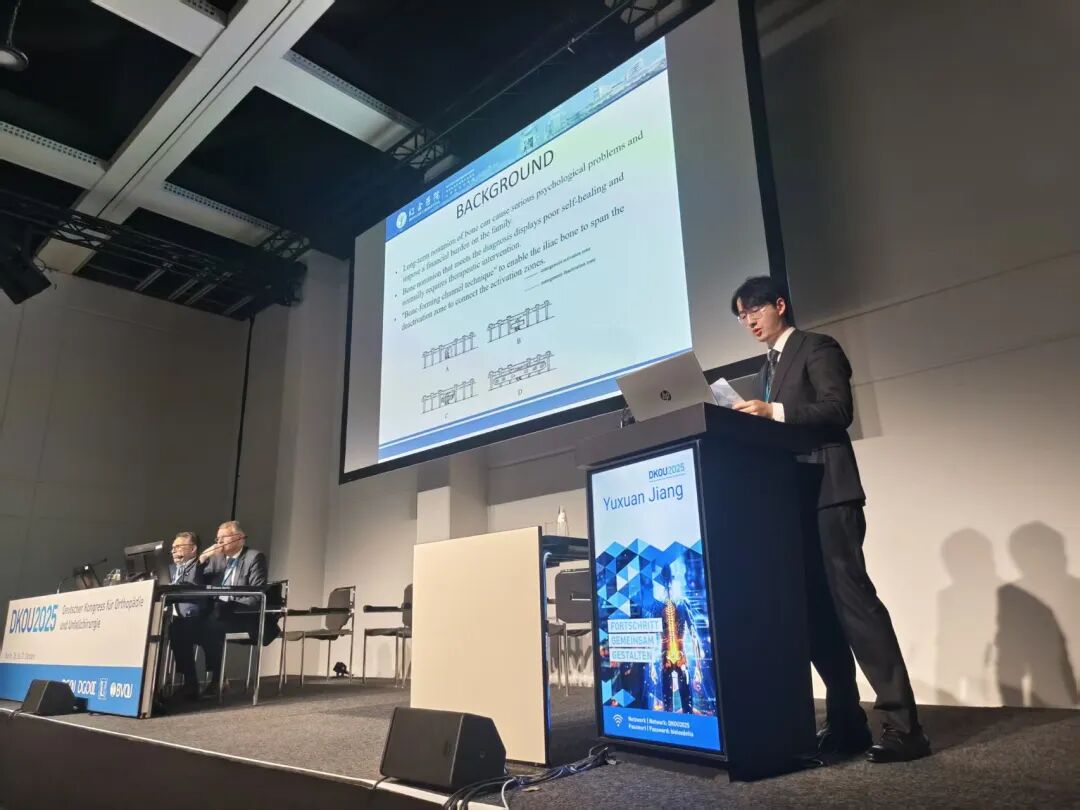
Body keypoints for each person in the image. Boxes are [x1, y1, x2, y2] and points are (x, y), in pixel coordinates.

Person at [729, 276, 930, 763]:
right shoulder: (764, 370)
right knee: (816, 614)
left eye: (754, 309)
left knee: (854, 604)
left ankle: (905, 727)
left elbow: (838, 409)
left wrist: (774, 411)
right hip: (790, 503)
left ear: (779, 304)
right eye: (741, 315)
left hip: (830, 494)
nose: (749, 321)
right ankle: (846, 723)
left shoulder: (817, 347)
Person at [197, 520, 279, 695]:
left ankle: (218, 679)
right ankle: (203, 680)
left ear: (240, 538)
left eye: (223, 538)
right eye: (217, 538)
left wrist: (231, 605)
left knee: (209, 625)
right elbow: (197, 583)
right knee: (188, 625)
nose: (219, 542)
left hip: (242, 615)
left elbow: (257, 595)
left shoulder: (254, 557)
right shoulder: (215, 559)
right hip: (217, 614)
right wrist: (202, 559)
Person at [166, 531, 208, 700]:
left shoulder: (201, 566)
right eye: (173, 548)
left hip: (197, 617)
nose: (174, 551)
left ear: (193, 549)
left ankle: (190, 683)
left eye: (178, 547)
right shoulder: (170, 570)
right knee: (167, 629)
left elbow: (195, 587)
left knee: (178, 630)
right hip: (172, 616)